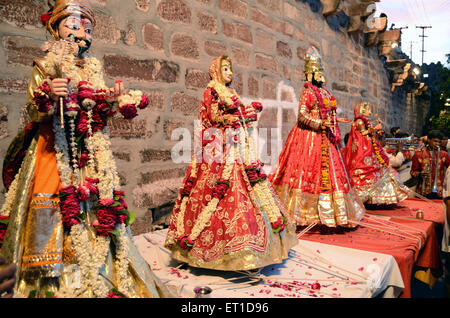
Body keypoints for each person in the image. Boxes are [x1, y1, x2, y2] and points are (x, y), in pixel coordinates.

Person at [0, 0, 171, 298]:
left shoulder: (92, 68)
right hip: (54, 151)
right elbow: (34, 109)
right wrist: (49, 95)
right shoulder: (46, 65)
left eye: (87, 28)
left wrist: (113, 101)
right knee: (53, 205)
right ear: (55, 28)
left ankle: (103, 269)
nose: (81, 32)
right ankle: (50, 278)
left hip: (90, 155)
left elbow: (94, 110)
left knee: (98, 203)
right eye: (73, 25)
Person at [164, 55, 297, 271]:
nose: (230, 72)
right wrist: (229, 120)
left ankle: (255, 245)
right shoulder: (212, 92)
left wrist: (250, 112)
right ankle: (220, 249)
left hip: (238, 146)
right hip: (219, 148)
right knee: (220, 190)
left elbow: (239, 112)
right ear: (216, 71)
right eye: (225, 68)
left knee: (252, 184)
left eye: (230, 69)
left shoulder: (231, 93)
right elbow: (212, 117)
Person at [269, 46, 365, 230]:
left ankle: (334, 214)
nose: (321, 74)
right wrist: (320, 123)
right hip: (309, 139)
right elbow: (302, 116)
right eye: (317, 71)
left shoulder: (326, 93)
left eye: (321, 70)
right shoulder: (308, 92)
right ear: (311, 74)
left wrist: (333, 121)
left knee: (333, 174)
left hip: (327, 139)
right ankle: (304, 214)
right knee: (306, 173)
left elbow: (329, 112)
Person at [342, 102, 409, 204]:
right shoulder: (359, 121)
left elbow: (367, 130)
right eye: (368, 110)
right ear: (363, 110)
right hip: (363, 149)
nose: (370, 112)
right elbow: (363, 132)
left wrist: (373, 125)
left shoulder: (364, 120)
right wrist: (375, 128)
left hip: (368, 146)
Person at [410, 130, 450, 199]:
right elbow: (413, 172)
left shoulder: (444, 154)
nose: (437, 144)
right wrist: (420, 174)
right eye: (435, 141)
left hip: (439, 191)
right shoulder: (418, 154)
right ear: (428, 140)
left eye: (439, 142)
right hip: (423, 190)